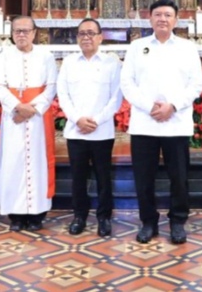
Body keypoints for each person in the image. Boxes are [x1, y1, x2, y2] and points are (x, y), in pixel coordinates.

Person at [121, 0, 202, 244]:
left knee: (179, 178)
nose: (163, 19)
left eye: (168, 15)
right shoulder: (137, 47)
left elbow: (196, 84)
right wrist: (149, 107)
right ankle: (148, 222)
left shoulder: (187, 48)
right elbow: (127, 83)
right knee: (144, 178)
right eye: (158, 15)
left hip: (176, 123)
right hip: (144, 124)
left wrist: (173, 106)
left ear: (176, 20)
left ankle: (177, 221)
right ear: (150, 19)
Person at [56, 18, 122, 237]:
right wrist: (77, 119)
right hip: (76, 131)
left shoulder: (112, 63)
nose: (86, 37)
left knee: (103, 176)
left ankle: (104, 217)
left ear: (100, 37)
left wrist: (97, 120)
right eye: (82, 33)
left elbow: (116, 97)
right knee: (78, 177)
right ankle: (79, 216)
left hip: (102, 131)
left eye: (91, 33)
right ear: (77, 38)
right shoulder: (68, 63)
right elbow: (63, 95)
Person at [0, 15, 57, 232]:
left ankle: (37, 214)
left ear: (34, 33)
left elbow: (51, 86)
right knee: (13, 163)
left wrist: (32, 109)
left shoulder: (46, 56)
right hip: (13, 118)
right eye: (17, 31)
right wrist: (17, 107)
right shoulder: (3, 57)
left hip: (38, 119)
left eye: (26, 31)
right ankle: (16, 215)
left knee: (38, 162)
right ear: (12, 34)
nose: (21, 35)